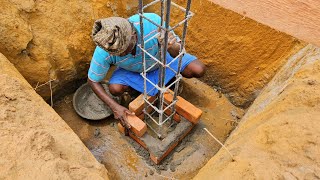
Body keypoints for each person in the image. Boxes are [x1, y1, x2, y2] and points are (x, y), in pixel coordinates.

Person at [88, 13, 205, 129]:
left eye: (125, 49)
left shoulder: (152, 23)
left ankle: (169, 81)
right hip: (134, 71)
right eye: (118, 53)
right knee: (115, 88)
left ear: (133, 35)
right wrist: (115, 107)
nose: (123, 54)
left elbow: (177, 53)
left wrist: (171, 47)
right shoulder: (105, 49)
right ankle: (139, 92)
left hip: (162, 60)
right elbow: (92, 80)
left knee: (198, 69)